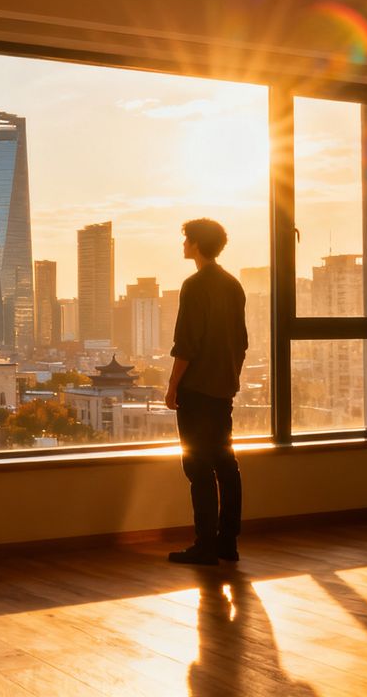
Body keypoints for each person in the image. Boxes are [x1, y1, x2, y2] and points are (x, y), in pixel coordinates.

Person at [165, 218, 247, 565]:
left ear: (197, 244)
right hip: (222, 389)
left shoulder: (195, 285)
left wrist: (172, 386)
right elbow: (241, 342)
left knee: (198, 468)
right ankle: (228, 543)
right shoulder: (233, 285)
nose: (183, 244)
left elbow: (186, 343)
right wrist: (230, 376)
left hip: (197, 390)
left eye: (186, 239)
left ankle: (205, 544)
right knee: (226, 465)